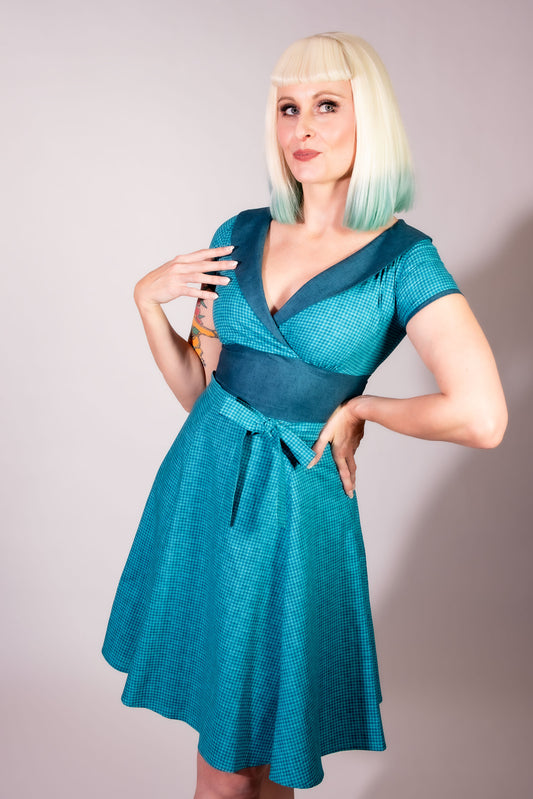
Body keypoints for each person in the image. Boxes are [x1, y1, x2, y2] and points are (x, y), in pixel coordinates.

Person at [101, 31, 508, 799]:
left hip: (295, 511)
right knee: (232, 770)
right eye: (287, 108)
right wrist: (146, 303)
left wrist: (365, 407)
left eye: (325, 105)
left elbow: (481, 416)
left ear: (369, 119)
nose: (302, 128)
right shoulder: (236, 234)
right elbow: (199, 392)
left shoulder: (403, 260)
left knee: (260, 761)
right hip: (203, 490)